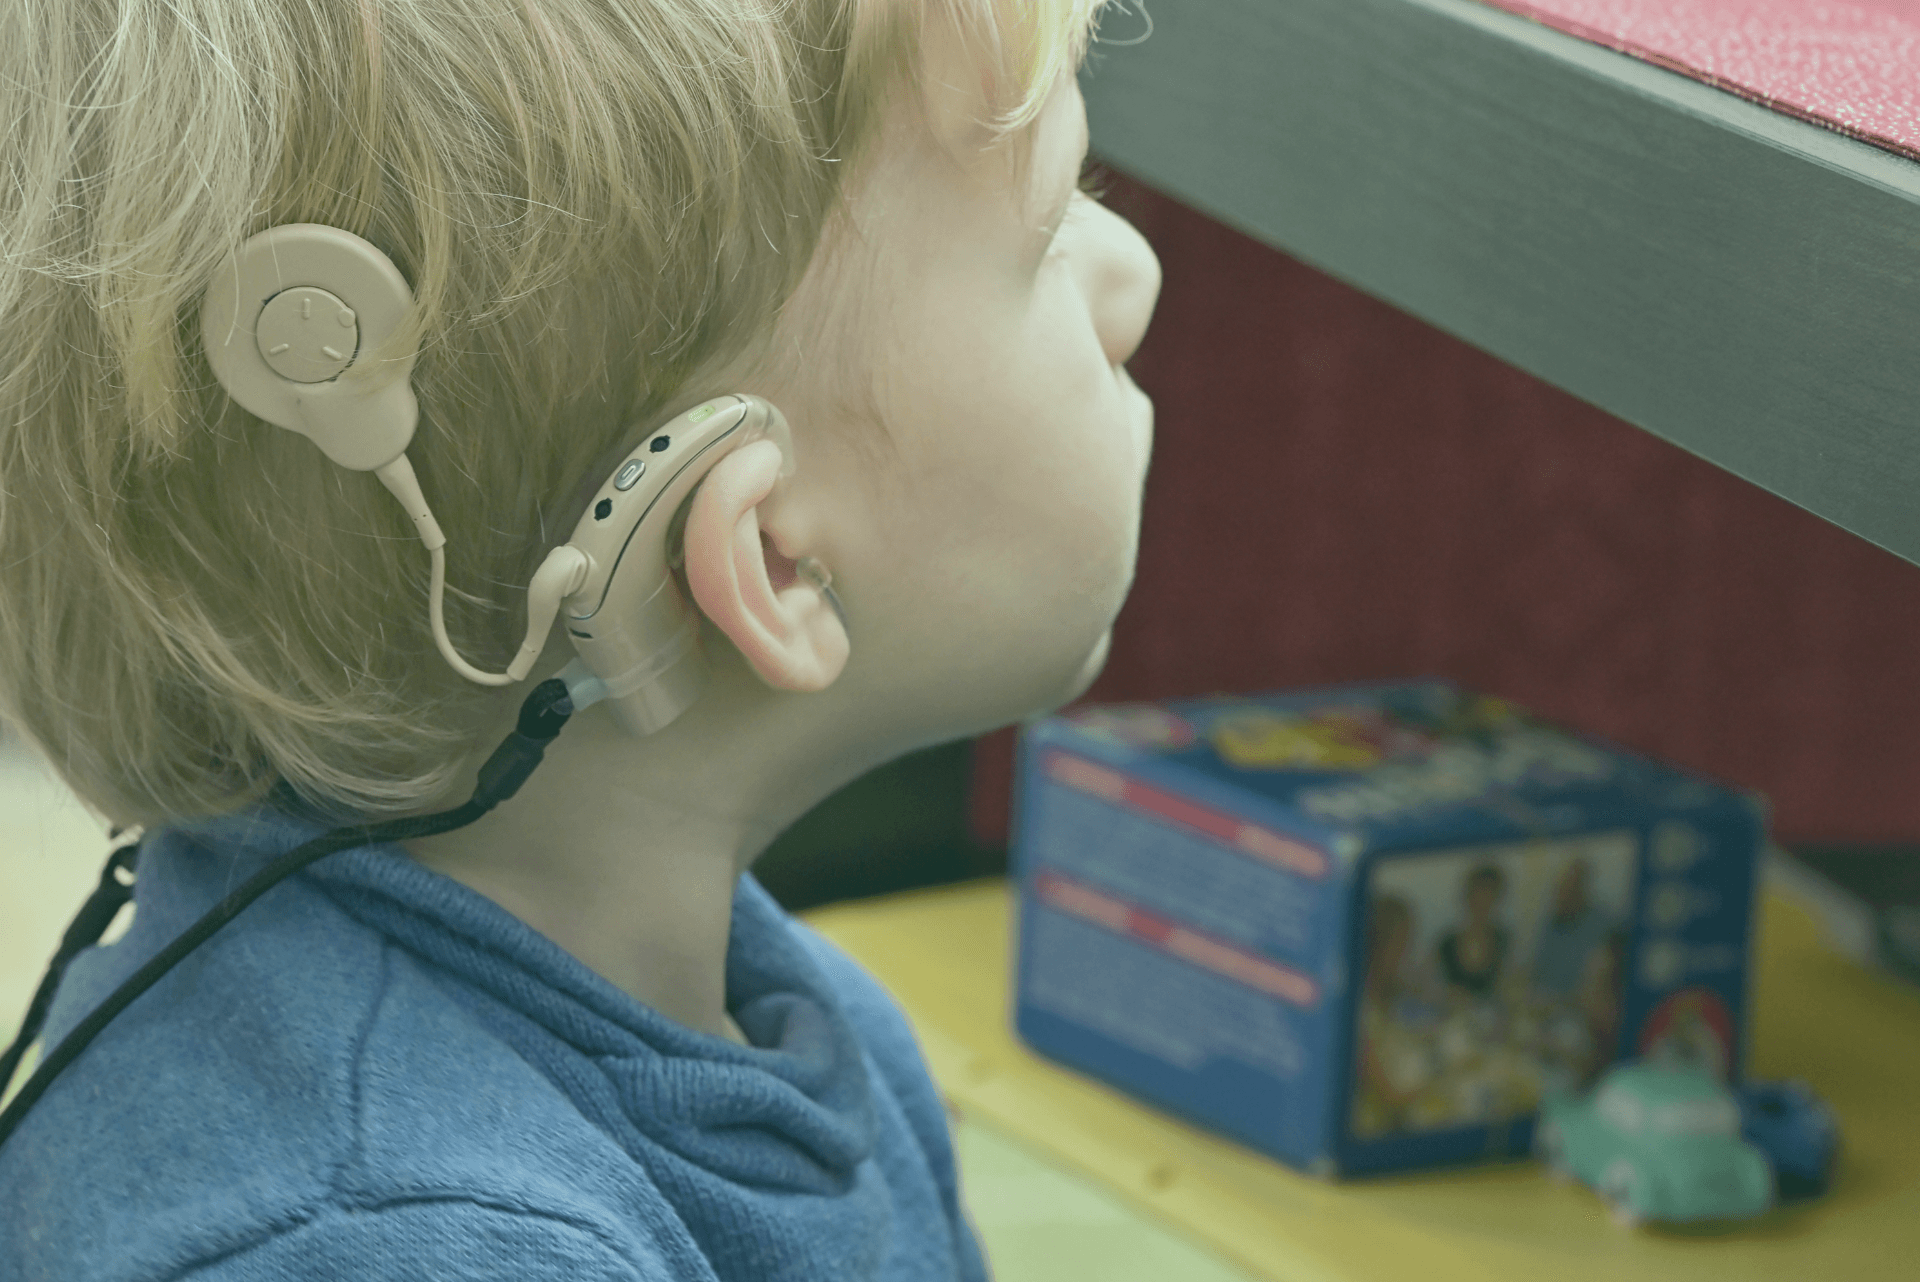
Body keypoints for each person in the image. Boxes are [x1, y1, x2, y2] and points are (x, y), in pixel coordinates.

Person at [0, 2, 1159, 1278]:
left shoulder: (789, 1024)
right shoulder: (402, 1244)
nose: (1133, 279)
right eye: (1048, 232)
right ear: (767, 558)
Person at [1527, 857, 1614, 1003]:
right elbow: (1537, 972)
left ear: (1581, 889)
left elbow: (1600, 981)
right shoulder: (1551, 924)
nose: (1561, 895)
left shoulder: (1602, 924)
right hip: (1546, 1006)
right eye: (1559, 888)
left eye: (1569, 887)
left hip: (1583, 1009)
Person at [1436, 863, 1509, 1001]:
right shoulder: (1446, 944)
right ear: (1467, 897)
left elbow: (1510, 989)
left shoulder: (1503, 941)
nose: (1483, 903)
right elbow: (1431, 990)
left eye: (1489, 895)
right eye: (1478, 894)